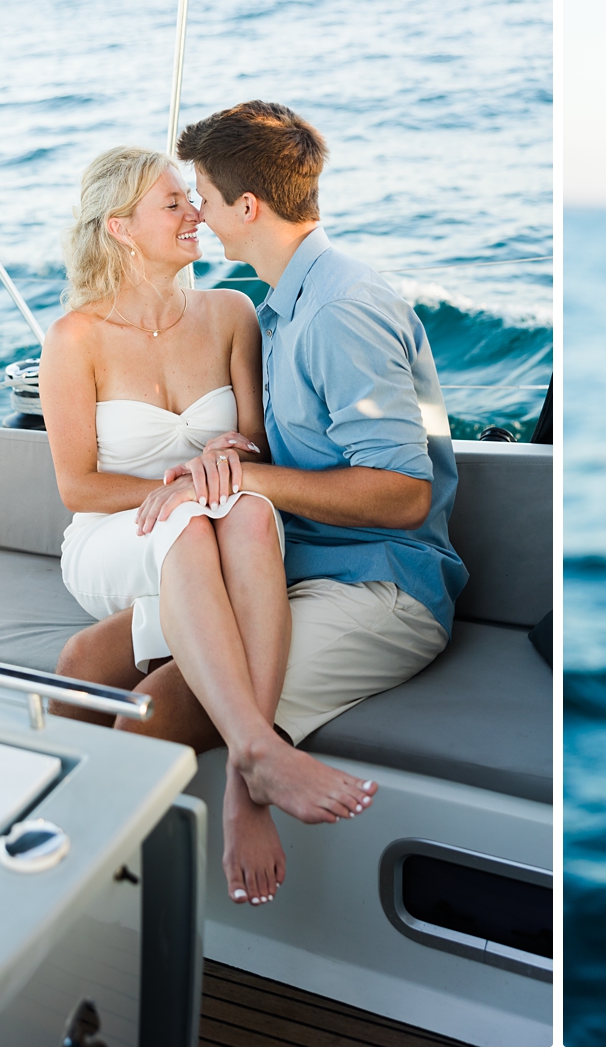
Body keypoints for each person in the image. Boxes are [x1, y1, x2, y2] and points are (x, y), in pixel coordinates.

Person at [40, 146, 378, 914]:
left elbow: (255, 444)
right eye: (174, 203)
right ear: (121, 229)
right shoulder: (75, 339)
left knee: (252, 508)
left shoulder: (232, 314)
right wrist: (184, 483)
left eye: (195, 200)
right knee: (193, 524)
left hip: (220, 521)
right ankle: (255, 748)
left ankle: (157, 693)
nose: (197, 212)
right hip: (113, 533)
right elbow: (77, 486)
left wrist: (234, 454)